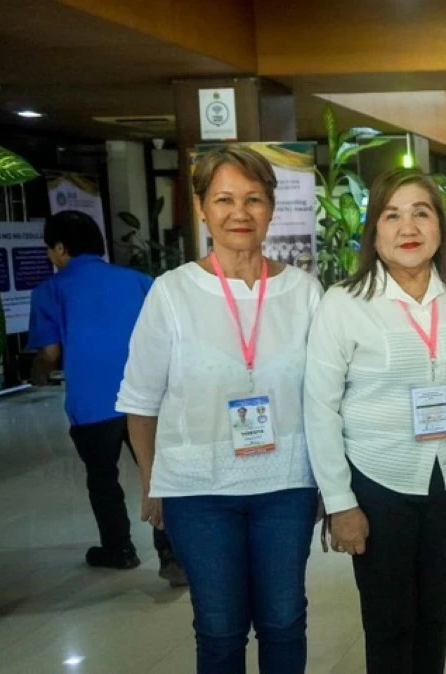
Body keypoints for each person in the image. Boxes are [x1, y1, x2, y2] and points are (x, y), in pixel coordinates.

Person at [116, 145, 322, 674]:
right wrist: (152, 481)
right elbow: (141, 401)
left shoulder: (304, 292)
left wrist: (330, 481)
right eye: (224, 199)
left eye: (253, 199)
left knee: (284, 621)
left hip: (287, 485)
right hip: (198, 492)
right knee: (220, 627)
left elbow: (327, 397)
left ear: (271, 207)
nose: (239, 212)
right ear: (201, 207)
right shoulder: (171, 293)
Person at [304, 168, 446, 673]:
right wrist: (340, 502)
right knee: (389, 622)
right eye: (392, 215)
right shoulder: (344, 303)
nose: (408, 227)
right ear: (374, 230)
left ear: (440, 226)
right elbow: (320, 407)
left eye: (421, 213)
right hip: (377, 479)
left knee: (435, 615)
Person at [28, 210, 184, 585]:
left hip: (92, 404)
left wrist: (37, 376)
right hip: (147, 398)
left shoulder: (49, 291)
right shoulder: (138, 281)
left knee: (102, 479)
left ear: (60, 249)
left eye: (50, 249)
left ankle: (119, 550)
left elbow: (49, 352)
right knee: (158, 474)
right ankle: (172, 555)